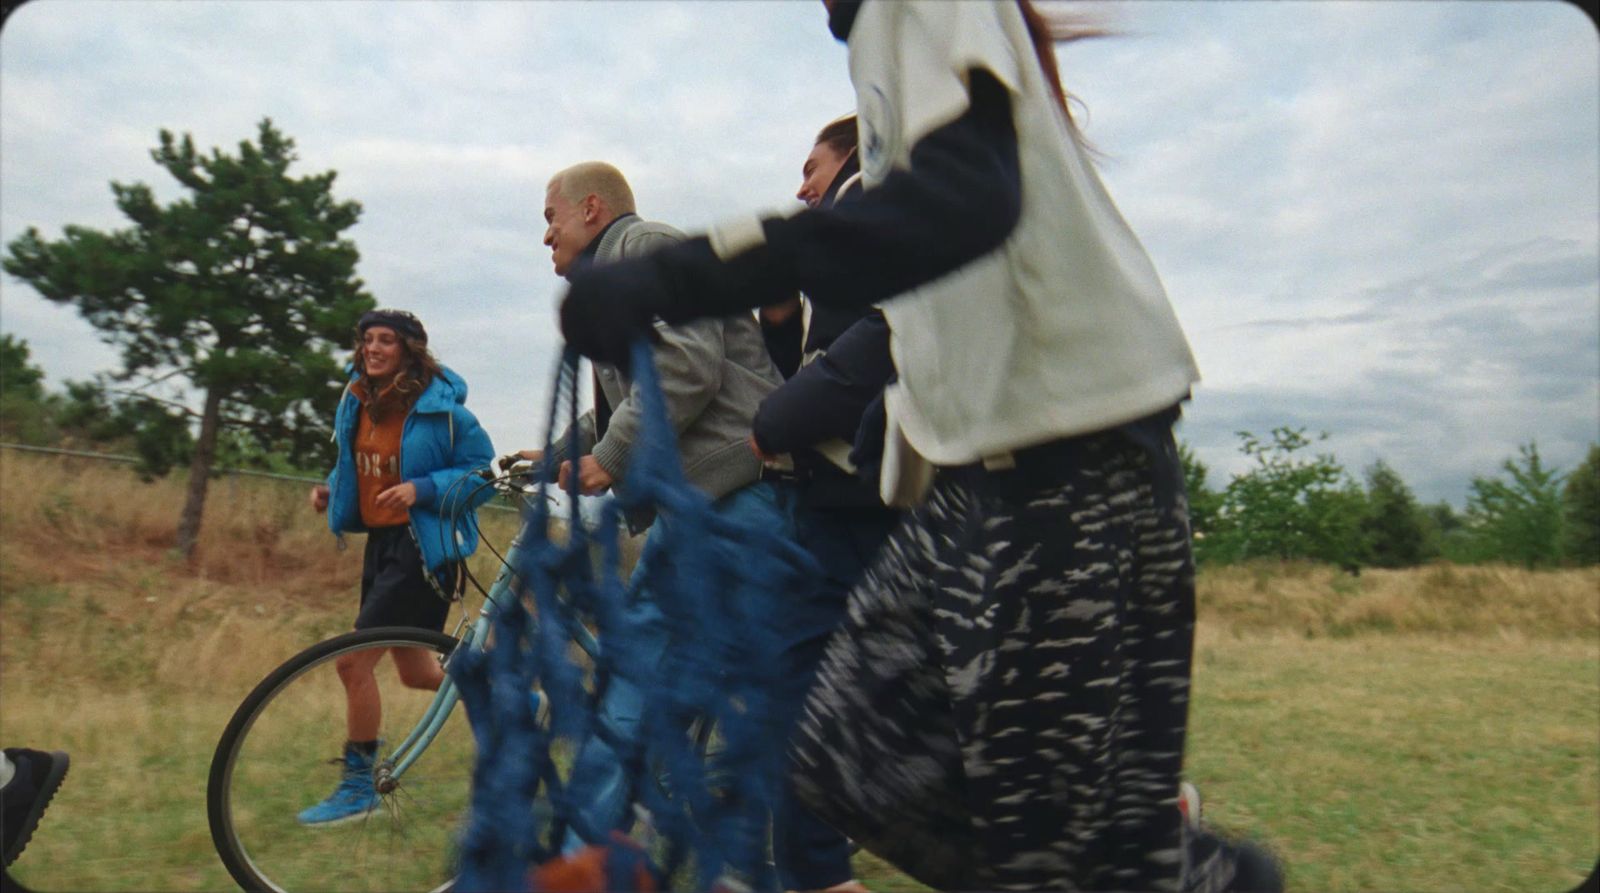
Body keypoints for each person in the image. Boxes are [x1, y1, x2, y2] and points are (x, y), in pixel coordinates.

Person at [556, 2, 1282, 891]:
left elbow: (965, 198)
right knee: (846, 759)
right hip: (973, 476)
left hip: (1068, 460)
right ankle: (1140, 858)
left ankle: (1160, 868)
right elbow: (933, 277)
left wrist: (689, 275)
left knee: (1034, 845)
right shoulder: (877, 31)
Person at [517, 161, 789, 863]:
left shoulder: (646, 246)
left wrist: (610, 455)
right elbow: (620, 400)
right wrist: (552, 453)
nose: (545, 234)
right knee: (678, 699)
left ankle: (584, 861)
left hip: (727, 500)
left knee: (633, 689)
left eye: (551, 216)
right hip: (710, 503)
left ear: (592, 208)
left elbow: (685, 365)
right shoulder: (622, 279)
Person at [752, 114, 897, 893]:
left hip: (860, 501)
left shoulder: (867, 202)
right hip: (842, 499)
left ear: (848, 158)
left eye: (810, 166)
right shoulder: (837, 259)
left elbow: (883, 342)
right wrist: (779, 320)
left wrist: (781, 420)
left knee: (800, 684)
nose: (801, 185)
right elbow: (810, 361)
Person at [301, 308, 496, 826]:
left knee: (352, 661)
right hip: (383, 544)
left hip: (422, 547)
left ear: (410, 348)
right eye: (367, 338)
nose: (373, 348)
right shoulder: (359, 399)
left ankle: (359, 784)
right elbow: (358, 461)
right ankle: (500, 691)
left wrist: (424, 488)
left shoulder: (442, 408)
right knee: (415, 673)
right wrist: (332, 489)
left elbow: (483, 474)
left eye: (386, 340)